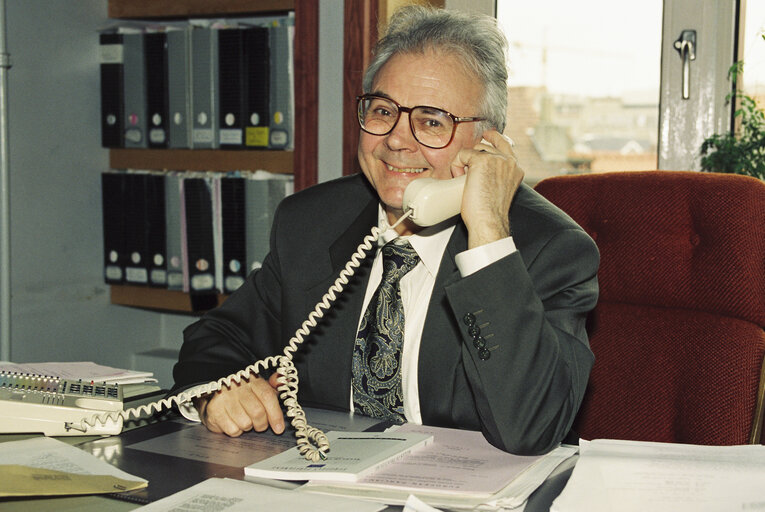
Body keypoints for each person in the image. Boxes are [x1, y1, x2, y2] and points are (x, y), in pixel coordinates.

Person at [172, 5, 599, 456]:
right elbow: (216, 340)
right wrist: (218, 391)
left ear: (488, 144)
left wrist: (488, 233)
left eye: (431, 121)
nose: (396, 139)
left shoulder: (549, 249)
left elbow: (530, 428)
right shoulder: (311, 222)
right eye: (382, 111)